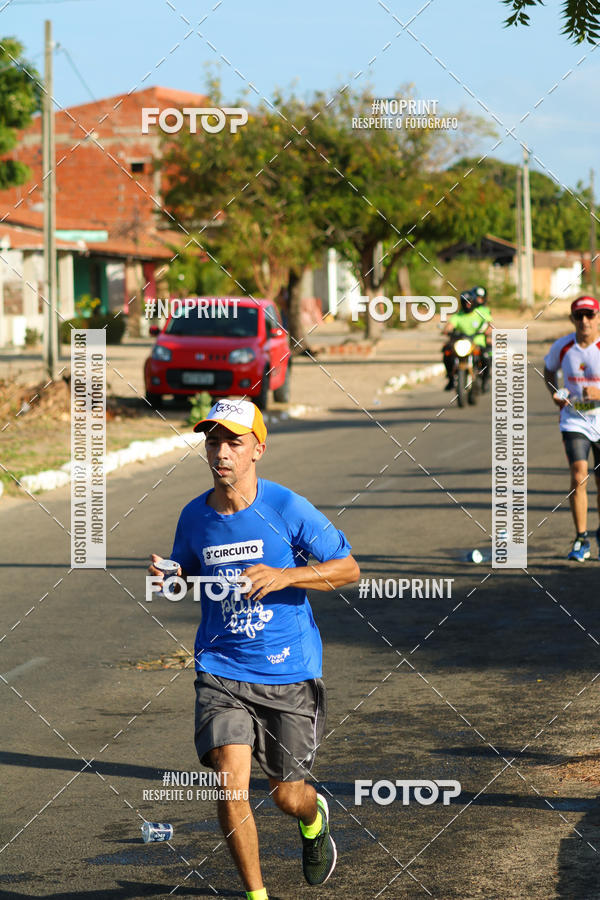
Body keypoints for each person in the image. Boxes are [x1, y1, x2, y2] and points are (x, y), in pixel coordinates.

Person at [149, 398, 360, 900]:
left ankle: (315, 817)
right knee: (230, 782)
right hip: (221, 668)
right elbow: (188, 576)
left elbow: (349, 569)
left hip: (288, 671)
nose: (220, 452)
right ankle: (256, 896)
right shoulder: (194, 517)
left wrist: (287, 575)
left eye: (233, 442)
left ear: (258, 449)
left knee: (287, 796)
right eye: (213, 441)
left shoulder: (285, 507)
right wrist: (172, 577)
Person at [544, 295, 600, 561]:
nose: (585, 321)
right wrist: (555, 392)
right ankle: (581, 538)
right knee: (579, 475)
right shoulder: (563, 347)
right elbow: (548, 369)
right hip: (574, 419)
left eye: (590, 315)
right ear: (572, 320)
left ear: (598, 318)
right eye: (579, 316)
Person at [442, 289, 493, 390]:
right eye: (465, 302)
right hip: (461, 342)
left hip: (477, 342)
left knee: (486, 357)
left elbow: (490, 325)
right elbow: (449, 326)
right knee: (447, 351)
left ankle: (485, 380)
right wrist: (447, 330)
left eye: (470, 301)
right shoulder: (458, 316)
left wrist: (488, 330)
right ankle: (451, 378)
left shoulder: (480, 313)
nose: (468, 304)